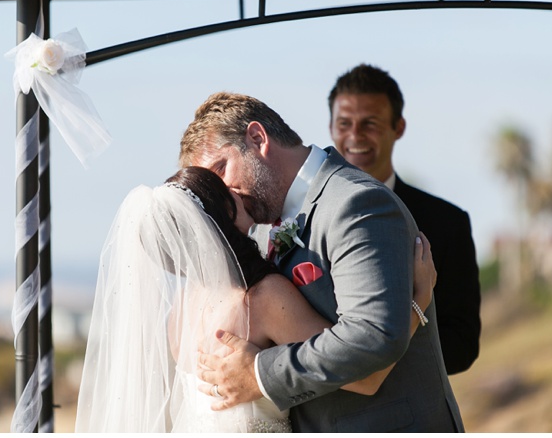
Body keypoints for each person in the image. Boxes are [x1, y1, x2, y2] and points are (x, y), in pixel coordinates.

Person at [180, 91, 464, 432]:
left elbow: (372, 336)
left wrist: (260, 374)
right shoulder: (254, 233)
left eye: (221, 169)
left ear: (258, 139)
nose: (223, 193)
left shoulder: (356, 203)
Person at [74, 166, 437, 433]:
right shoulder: (260, 300)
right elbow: (366, 375)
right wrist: (418, 302)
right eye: (222, 185)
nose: (235, 187)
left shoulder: (181, 308)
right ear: (222, 209)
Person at [328, 63, 481, 374]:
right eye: (344, 123)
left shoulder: (448, 223)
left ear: (399, 127)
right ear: (331, 127)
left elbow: (463, 344)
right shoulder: (299, 217)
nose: (355, 136)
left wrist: (368, 362)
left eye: (369, 123)